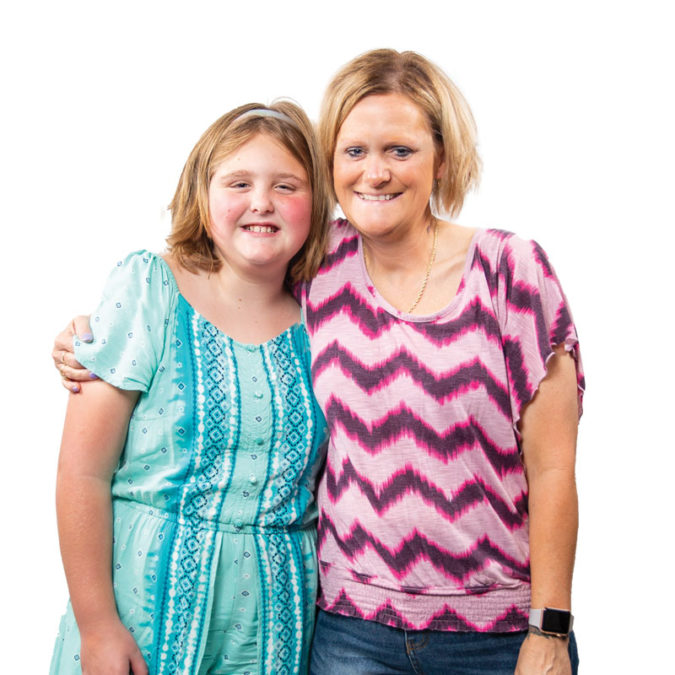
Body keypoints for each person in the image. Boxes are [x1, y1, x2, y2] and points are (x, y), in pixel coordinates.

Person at [55, 49, 584, 675]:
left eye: (401, 150)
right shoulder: (322, 271)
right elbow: (226, 280)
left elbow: (552, 467)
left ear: (442, 157)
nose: (376, 172)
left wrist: (549, 628)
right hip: (349, 631)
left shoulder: (508, 270)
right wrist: (92, 334)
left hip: (488, 633)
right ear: (332, 165)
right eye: (354, 151)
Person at [49, 101, 331, 675]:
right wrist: (97, 624)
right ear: (202, 198)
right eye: (239, 183)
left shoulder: (329, 315)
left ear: (317, 205)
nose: (262, 202)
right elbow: (83, 473)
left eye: (286, 185)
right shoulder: (151, 288)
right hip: (142, 610)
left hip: (275, 629)